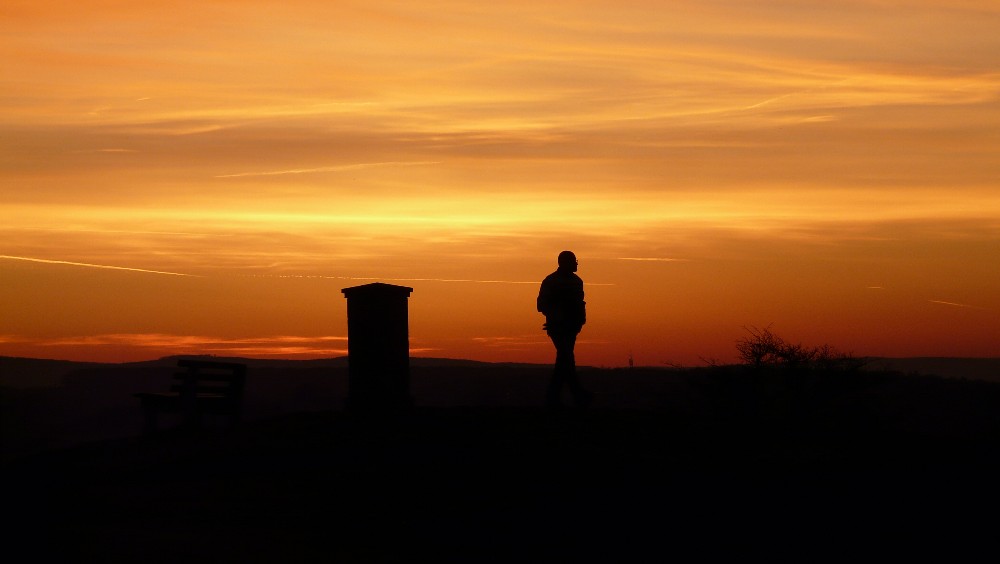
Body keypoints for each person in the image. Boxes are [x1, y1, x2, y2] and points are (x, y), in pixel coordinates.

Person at [536, 250, 592, 408]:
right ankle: (576, 394)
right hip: (558, 327)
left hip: (571, 327)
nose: (577, 263)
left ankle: (556, 397)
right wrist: (557, 316)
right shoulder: (551, 281)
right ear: (565, 262)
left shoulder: (576, 282)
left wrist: (579, 320)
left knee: (564, 361)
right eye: (574, 260)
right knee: (566, 358)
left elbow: (579, 303)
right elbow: (542, 305)